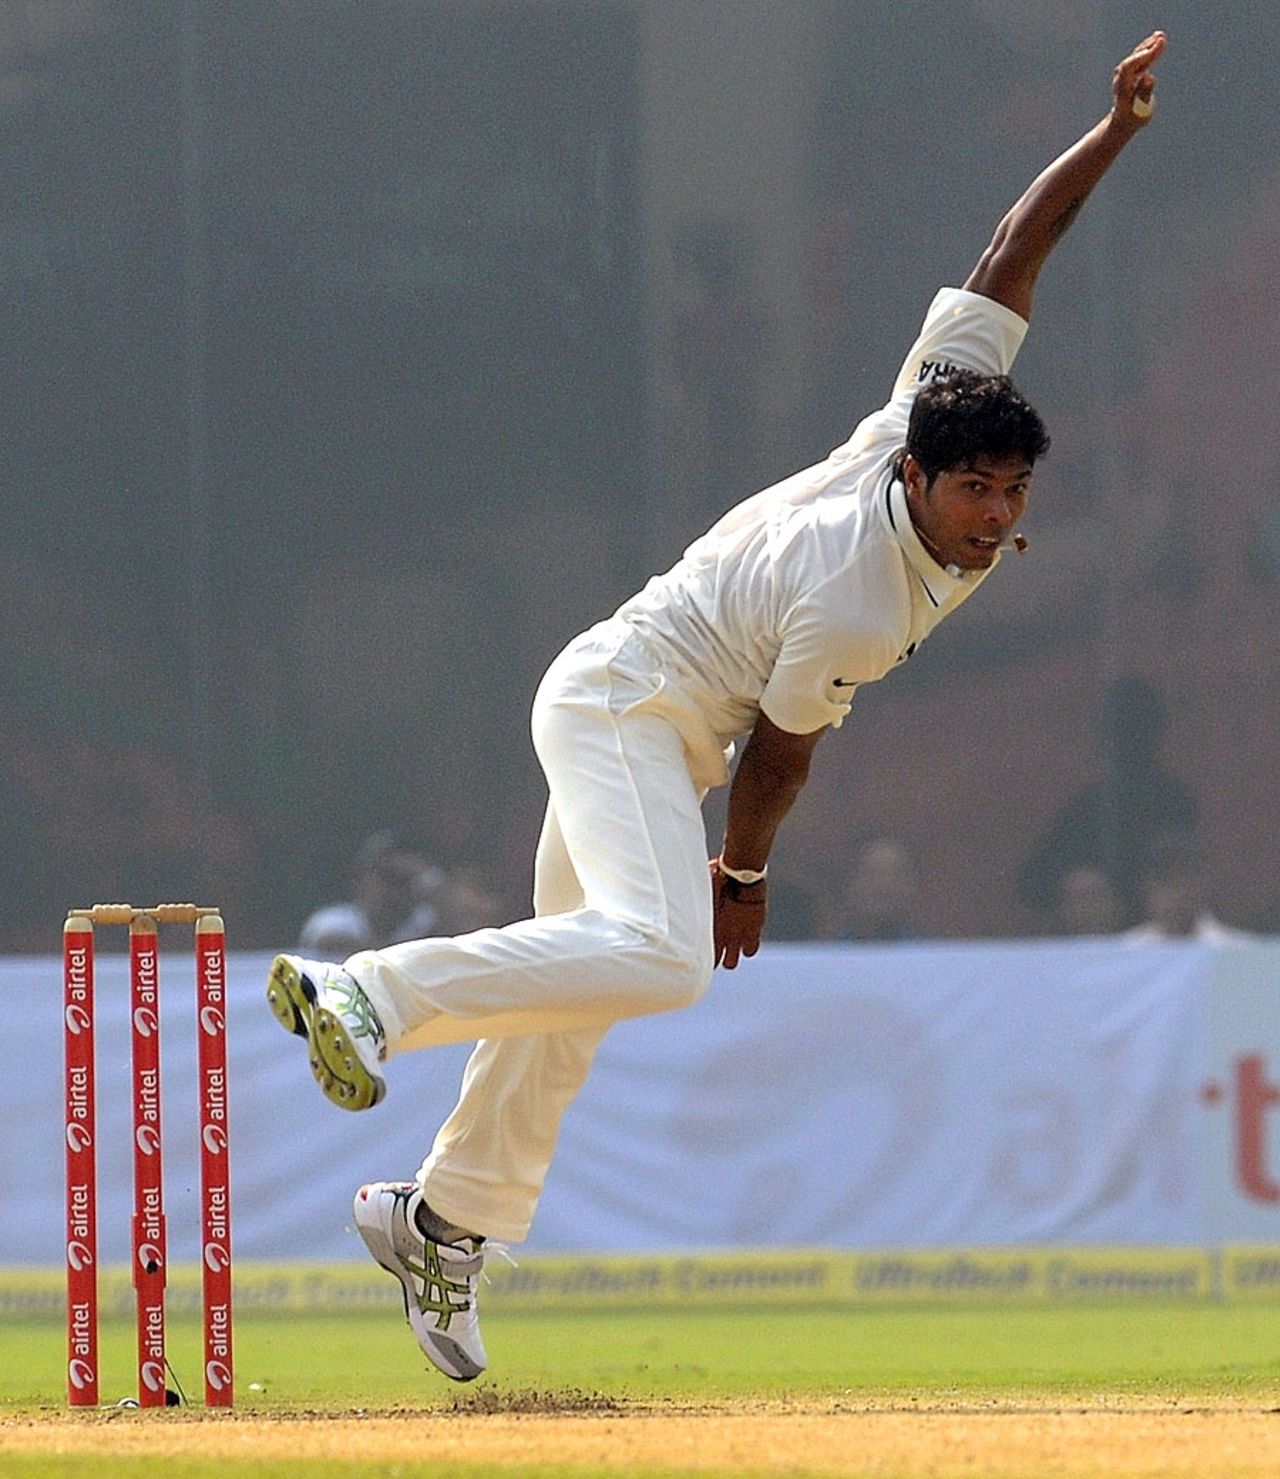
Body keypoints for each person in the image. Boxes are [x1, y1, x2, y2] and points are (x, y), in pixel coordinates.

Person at [265, 33, 1167, 1382]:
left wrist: (1107, 139)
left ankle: (441, 1219)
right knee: (669, 953)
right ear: (920, 472)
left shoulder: (920, 414)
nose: (992, 519)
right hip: (627, 705)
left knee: (580, 990)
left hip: (647, 717)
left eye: (1011, 497)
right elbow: (781, 747)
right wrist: (740, 875)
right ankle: (370, 994)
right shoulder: (858, 591)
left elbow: (1004, 261)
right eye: (974, 491)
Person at [1018, 674, 1199, 926]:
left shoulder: (1175, 803)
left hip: (1161, 949)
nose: (1126, 744)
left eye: (1136, 732)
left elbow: (1184, 880)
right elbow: (1032, 884)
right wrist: (1078, 887)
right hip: (1098, 950)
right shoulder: (1088, 807)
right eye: (1120, 732)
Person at [296, 831, 443, 957]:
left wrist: (433, 884)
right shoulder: (333, 919)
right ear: (361, 879)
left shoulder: (425, 920)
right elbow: (329, 943)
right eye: (387, 877)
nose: (393, 891)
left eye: (405, 881)